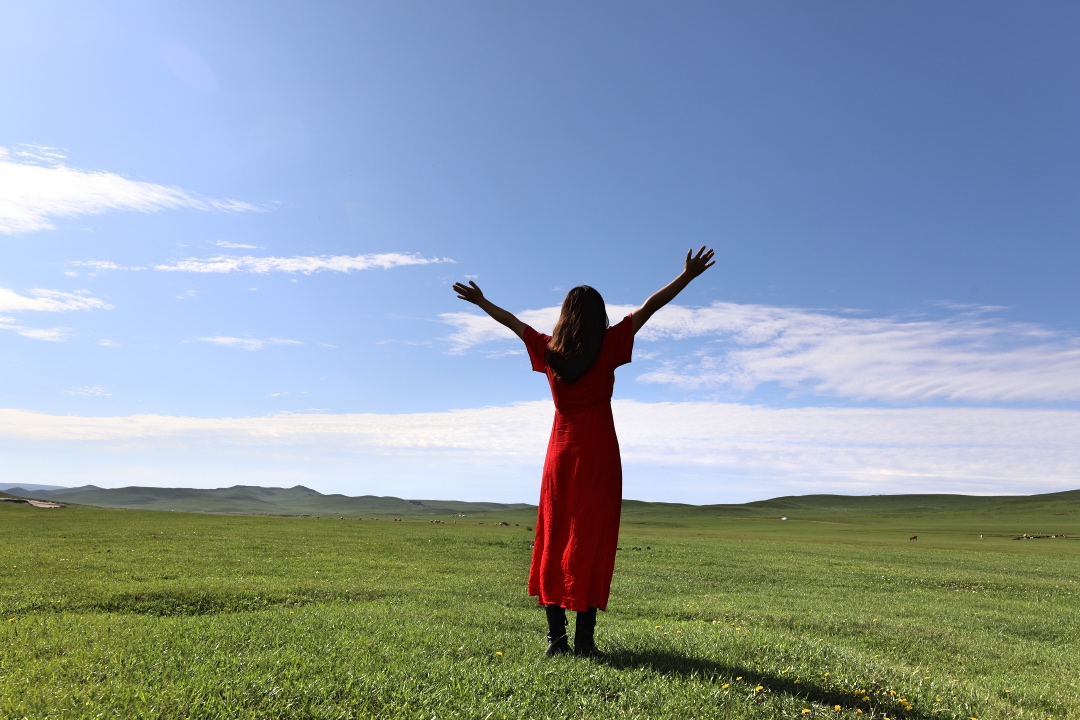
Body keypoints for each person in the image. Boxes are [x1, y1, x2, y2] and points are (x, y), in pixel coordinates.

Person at [452, 246, 715, 657]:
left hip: (560, 454)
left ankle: (556, 642)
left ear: (565, 315)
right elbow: (650, 307)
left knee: (555, 539)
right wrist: (687, 277)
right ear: (598, 317)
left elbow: (513, 323)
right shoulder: (608, 345)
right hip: (598, 455)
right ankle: (585, 643)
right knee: (591, 539)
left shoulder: (547, 349)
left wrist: (481, 301)